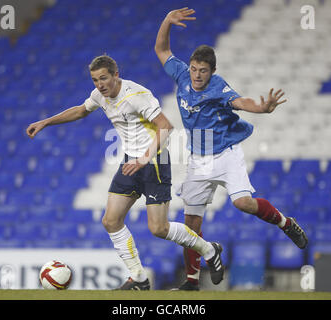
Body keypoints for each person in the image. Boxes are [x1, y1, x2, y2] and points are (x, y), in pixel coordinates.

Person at [26, 54, 225, 290]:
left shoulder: (136, 95)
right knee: (111, 220)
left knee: (158, 229)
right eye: (95, 80)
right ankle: (139, 278)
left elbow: (166, 126)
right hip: (130, 162)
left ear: (115, 75)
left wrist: (144, 158)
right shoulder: (99, 95)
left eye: (103, 78)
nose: (100, 84)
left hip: (154, 162)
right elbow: (81, 110)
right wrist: (46, 122)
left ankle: (210, 250)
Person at [155, 7, 308, 291]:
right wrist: (167, 21)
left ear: (212, 72)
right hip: (197, 160)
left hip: (226, 154)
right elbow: (162, 49)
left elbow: (240, 102)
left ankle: (286, 223)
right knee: (190, 226)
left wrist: (261, 108)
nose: (197, 75)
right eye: (194, 69)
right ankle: (191, 281)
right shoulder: (182, 76)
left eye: (203, 71)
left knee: (243, 204)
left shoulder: (217, 86)